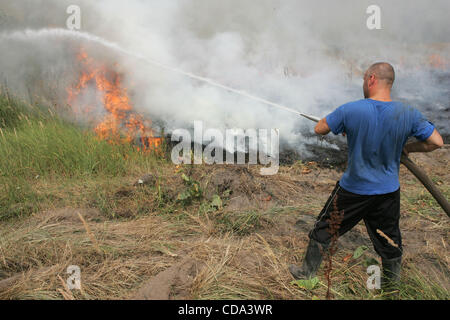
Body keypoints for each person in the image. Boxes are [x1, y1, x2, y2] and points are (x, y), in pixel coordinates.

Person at [289, 62, 444, 289]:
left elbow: (319, 128)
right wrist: (409, 149)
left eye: (364, 79)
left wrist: (342, 123)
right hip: (388, 192)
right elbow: (436, 142)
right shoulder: (408, 113)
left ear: (371, 79)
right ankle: (392, 289)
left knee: (324, 230)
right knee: (389, 240)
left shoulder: (351, 110)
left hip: (353, 189)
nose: (363, 83)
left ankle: (306, 274)